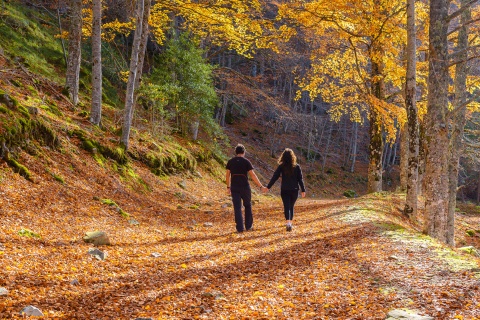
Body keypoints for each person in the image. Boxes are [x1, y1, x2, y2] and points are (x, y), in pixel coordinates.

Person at [226, 144, 267, 233]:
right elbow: (252, 175)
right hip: (245, 187)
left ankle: (239, 228)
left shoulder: (230, 162)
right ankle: (248, 226)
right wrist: (260, 186)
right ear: (244, 152)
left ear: (236, 152)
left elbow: (227, 175)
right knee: (247, 205)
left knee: (237, 207)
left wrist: (228, 187)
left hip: (234, 187)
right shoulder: (246, 162)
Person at [265, 148, 306, 231]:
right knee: (291, 206)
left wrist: (268, 187)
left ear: (283, 157)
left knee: (286, 206)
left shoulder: (281, 166)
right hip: (294, 189)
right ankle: (290, 222)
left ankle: (288, 223)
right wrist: (303, 190)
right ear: (292, 157)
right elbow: (300, 179)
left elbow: (275, 176)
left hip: (285, 189)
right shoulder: (297, 166)